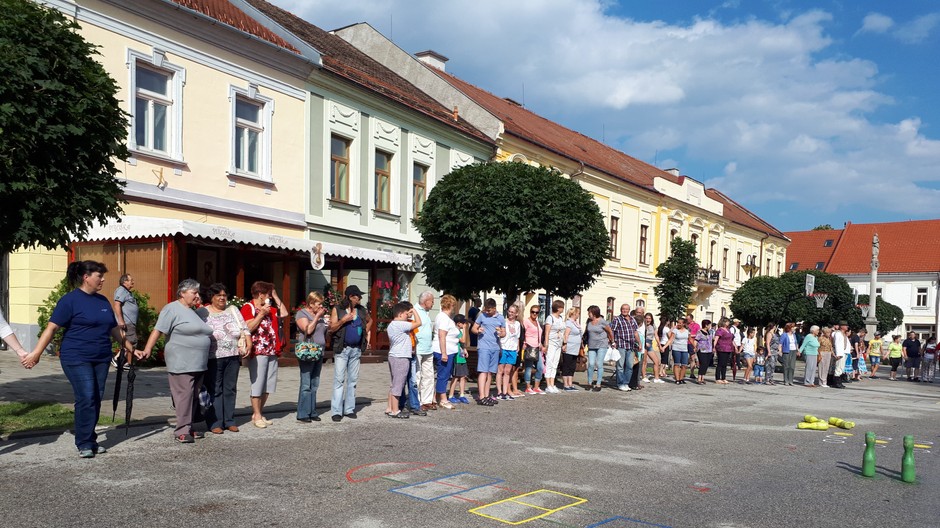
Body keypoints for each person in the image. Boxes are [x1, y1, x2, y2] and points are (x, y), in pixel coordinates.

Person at [22, 261, 134, 458]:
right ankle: (83, 442)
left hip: (101, 357)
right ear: (86, 277)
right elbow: (52, 328)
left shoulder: (102, 301)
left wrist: (131, 348)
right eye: (99, 276)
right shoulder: (70, 300)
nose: (103, 279)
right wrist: (36, 353)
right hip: (76, 357)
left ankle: (90, 439)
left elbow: (114, 329)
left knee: (96, 397)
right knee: (86, 396)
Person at [141, 279, 213, 443]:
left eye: (198, 293)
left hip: (198, 362)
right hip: (181, 361)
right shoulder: (172, 308)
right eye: (194, 292)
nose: (197, 296)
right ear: (182, 293)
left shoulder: (194, 312)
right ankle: (182, 430)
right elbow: (158, 330)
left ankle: (189, 426)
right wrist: (148, 349)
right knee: (184, 396)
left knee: (193, 396)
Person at [197, 283, 250, 433]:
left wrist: (249, 344)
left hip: (233, 355)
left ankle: (229, 420)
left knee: (230, 389)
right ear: (211, 297)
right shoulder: (202, 312)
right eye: (218, 295)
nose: (222, 298)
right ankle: (215, 423)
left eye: (224, 295)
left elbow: (244, 328)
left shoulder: (232, 309)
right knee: (215, 389)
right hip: (213, 357)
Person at [242, 281, 288, 427]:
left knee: (268, 384)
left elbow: (285, 313)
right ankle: (256, 416)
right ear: (260, 294)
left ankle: (259, 413)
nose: (269, 297)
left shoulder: (270, 309)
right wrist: (261, 314)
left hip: (272, 350)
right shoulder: (248, 307)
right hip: (258, 351)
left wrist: (275, 295)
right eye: (267, 294)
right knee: (258, 383)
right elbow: (247, 327)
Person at [328, 284, 372, 421]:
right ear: (349, 297)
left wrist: (364, 334)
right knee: (339, 380)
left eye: (359, 296)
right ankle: (336, 411)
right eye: (356, 296)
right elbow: (331, 328)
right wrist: (343, 320)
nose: (359, 298)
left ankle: (349, 409)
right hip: (343, 349)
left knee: (352, 380)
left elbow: (370, 321)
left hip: (356, 349)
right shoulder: (338, 309)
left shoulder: (361, 310)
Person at [294, 291, 328, 423]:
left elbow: (323, 332)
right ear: (311, 303)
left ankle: (312, 411)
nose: (320, 306)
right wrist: (317, 317)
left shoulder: (319, 315)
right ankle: (303, 413)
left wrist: (326, 323)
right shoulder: (302, 314)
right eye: (319, 304)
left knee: (315, 383)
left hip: (319, 352)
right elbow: (307, 330)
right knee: (306, 383)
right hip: (308, 352)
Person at [384, 302, 421, 418]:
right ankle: (395, 410)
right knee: (398, 384)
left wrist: (409, 311)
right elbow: (419, 323)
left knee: (394, 383)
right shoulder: (400, 324)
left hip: (394, 355)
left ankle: (389, 407)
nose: (408, 316)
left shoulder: (391, 325)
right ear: (400, 314)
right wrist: (414, 310)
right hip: (401, 357)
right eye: (406, 314)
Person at [472, 298, 505, 403]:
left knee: (490, 373)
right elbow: (473, 328)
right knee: (483, 371)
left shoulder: (500, 318)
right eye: (486, 310)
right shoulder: (482, 316)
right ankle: (481, 396)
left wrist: (500, 333)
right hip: (483, 347)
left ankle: (486, 395)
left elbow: (504, 333)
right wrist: (478, 331)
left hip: (495, 347)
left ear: (494, 308)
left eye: (489, 310)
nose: (487, 312)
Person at [431, 295, 458, 408]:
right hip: (442, 350)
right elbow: (442, 335)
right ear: (451, 305)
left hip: (448, 350)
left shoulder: (444, 317)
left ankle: (436, 397)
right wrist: (444, 352)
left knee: (444, 375)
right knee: (443, 375)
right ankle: (443, 399)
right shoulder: (443, 318)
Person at [414, 291, 435, 414]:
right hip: (418, 348)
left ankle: (426, 400)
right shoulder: (415, 310)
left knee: (428, 375)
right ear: (426, 301)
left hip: (428, 348)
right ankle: (417, 401)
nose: (433, 304)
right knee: (417, 375)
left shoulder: (426, 313)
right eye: (432, 301)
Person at [584, 305, 614, 392]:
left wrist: (612, 341)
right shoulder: (589, 321)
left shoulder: (602, 322)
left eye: (589, 312)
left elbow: (609, 331)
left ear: (594, 313)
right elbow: (587, 332)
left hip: (602, 345)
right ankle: (589, 383)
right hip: (591, 345)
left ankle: (598, 384)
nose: (588, 314)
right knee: (591, 364)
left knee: (599, 364)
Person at [111, 273, 138, 367]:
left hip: (129, 323)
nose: (133, 282)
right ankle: (126, 363)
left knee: (127, 342)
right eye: (131, 280)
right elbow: (117, 304)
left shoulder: (127, 292)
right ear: (125, 282)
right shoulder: (121, 290)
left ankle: (122, 361)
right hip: (127, 322)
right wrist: (121, 320)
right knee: (131, 342)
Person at [610, 304, 638, 391]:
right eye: (623, 309)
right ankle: (620, 383)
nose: (624, 310)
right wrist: (613, 342)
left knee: (629, 366)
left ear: (629, 310)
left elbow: (635, 332)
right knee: (620, 366)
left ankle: (626, 383)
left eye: (626, 309)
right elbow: (612, 331)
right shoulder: (617, 319)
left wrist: (639, 343)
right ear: (621, 310)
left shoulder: (632, 319)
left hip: (631, 346)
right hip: (621, 345)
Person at [496, 304, 522, 400]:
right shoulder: (503, 322)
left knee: (508, 371)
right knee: (500, 370)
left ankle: (505, 391)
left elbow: (517, 337)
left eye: (512, 312)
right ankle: (499, 392)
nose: (510, 313)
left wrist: (518, 347)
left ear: (516, 314)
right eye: (509, 311)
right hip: (503, 347)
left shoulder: (517, 324)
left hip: (512, 349)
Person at [542, 300, 566, 393]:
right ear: (558, 308)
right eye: (562, 307)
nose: (563, 309)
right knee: (550, 362)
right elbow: (547, 332)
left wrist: (564, 343)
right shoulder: (550, 318)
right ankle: (548, 384)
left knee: (555, 363)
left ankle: (552, 383)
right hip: (551, 343)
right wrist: (546, 344)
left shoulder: (560, 318)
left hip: (558, 343)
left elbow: (563, 331)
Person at [447, 314, 471, 404]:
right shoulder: (455, 331)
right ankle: (451, 395)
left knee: (463, 376)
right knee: (456, 377)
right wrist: (465, 329)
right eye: (463, 323)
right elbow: (463, 340)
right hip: (456, 356)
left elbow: (462, 344)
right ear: (459, 323)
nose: (464, 324)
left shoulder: (459, 331)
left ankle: (462, 394)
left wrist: (465, 349)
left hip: (461, 356)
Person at [522, 304, 544, 394]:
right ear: (530, 312)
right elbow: (523, 333)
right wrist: (524, 343)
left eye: (536, 312)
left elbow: (539, 334)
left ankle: (536, 386)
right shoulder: (526, 321)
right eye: (533, 312)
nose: (534, 314)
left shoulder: (537, 322)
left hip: (537, 347)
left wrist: (540, 343)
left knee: (540, 367)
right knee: (528, 367)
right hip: (529, 346)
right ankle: (528, 387)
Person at [560, 307, 583, 391]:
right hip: (569, 347)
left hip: (575, 348)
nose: (578, 315)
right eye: (578, 313)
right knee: (567, 365)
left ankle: (570, 383)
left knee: (572, 366)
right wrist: (565, 344)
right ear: (574, 313)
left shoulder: (575, 323)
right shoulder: (569, 323)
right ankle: (565, 384)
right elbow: (566, 334)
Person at [664, 318, 690, 384]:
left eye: (680, 323)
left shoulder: (687, 331)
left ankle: (681, 378)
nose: (678, 324)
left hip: (684, 349)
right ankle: (677, 379)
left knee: (684, 365)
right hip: (676, 348)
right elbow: (670, 339)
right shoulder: (675, 331)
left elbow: (690, 339)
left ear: (683, 324)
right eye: (678, 323)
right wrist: (664, 347)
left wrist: (695, 346)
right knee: (677, 364)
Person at [641, 312, 663, 384]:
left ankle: (656, 378)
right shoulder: (642, 325)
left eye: (649, 318)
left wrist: (659, 344)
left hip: (650, 343)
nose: (648, 320)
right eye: (647, 318)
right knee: (644, 361)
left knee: (656, 361)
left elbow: (656, 335)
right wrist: (644, 342)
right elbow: (640, 334)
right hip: (644, 342)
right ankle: (644, 376)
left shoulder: (653, 325)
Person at [713, 318, 736, 384]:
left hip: (728, 348)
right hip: (721, 348)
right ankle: (717, 378)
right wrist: (713, 347)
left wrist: (735, 346)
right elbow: (716, 339)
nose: (728, 323)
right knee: (720, 363)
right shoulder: (720, 330)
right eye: (727, 322)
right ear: (723, 322)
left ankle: (723, 377)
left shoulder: (728, 330)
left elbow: (731, 339)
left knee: (725, 364)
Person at [694, 319, 714, 385]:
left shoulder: (709, 332)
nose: (710, 326)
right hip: (702, 350)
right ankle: (699, 378)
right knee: (703, 363)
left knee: (706, 364)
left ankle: (703, 377)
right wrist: (695, 347)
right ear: (706, 325)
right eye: (709, 325)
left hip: (709, 350)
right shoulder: (699, 332)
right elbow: (696, 340)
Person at [831, 321, 850, 387]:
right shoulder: (838, 334)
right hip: (841, 353)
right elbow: (837, 344)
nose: (847, 327)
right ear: (841, 326)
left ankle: (838, 381)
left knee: (841, 368)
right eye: (845, 325)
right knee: (838, 368)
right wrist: (839, 354)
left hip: (844, 352)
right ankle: (836, 382)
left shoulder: (843, 334)